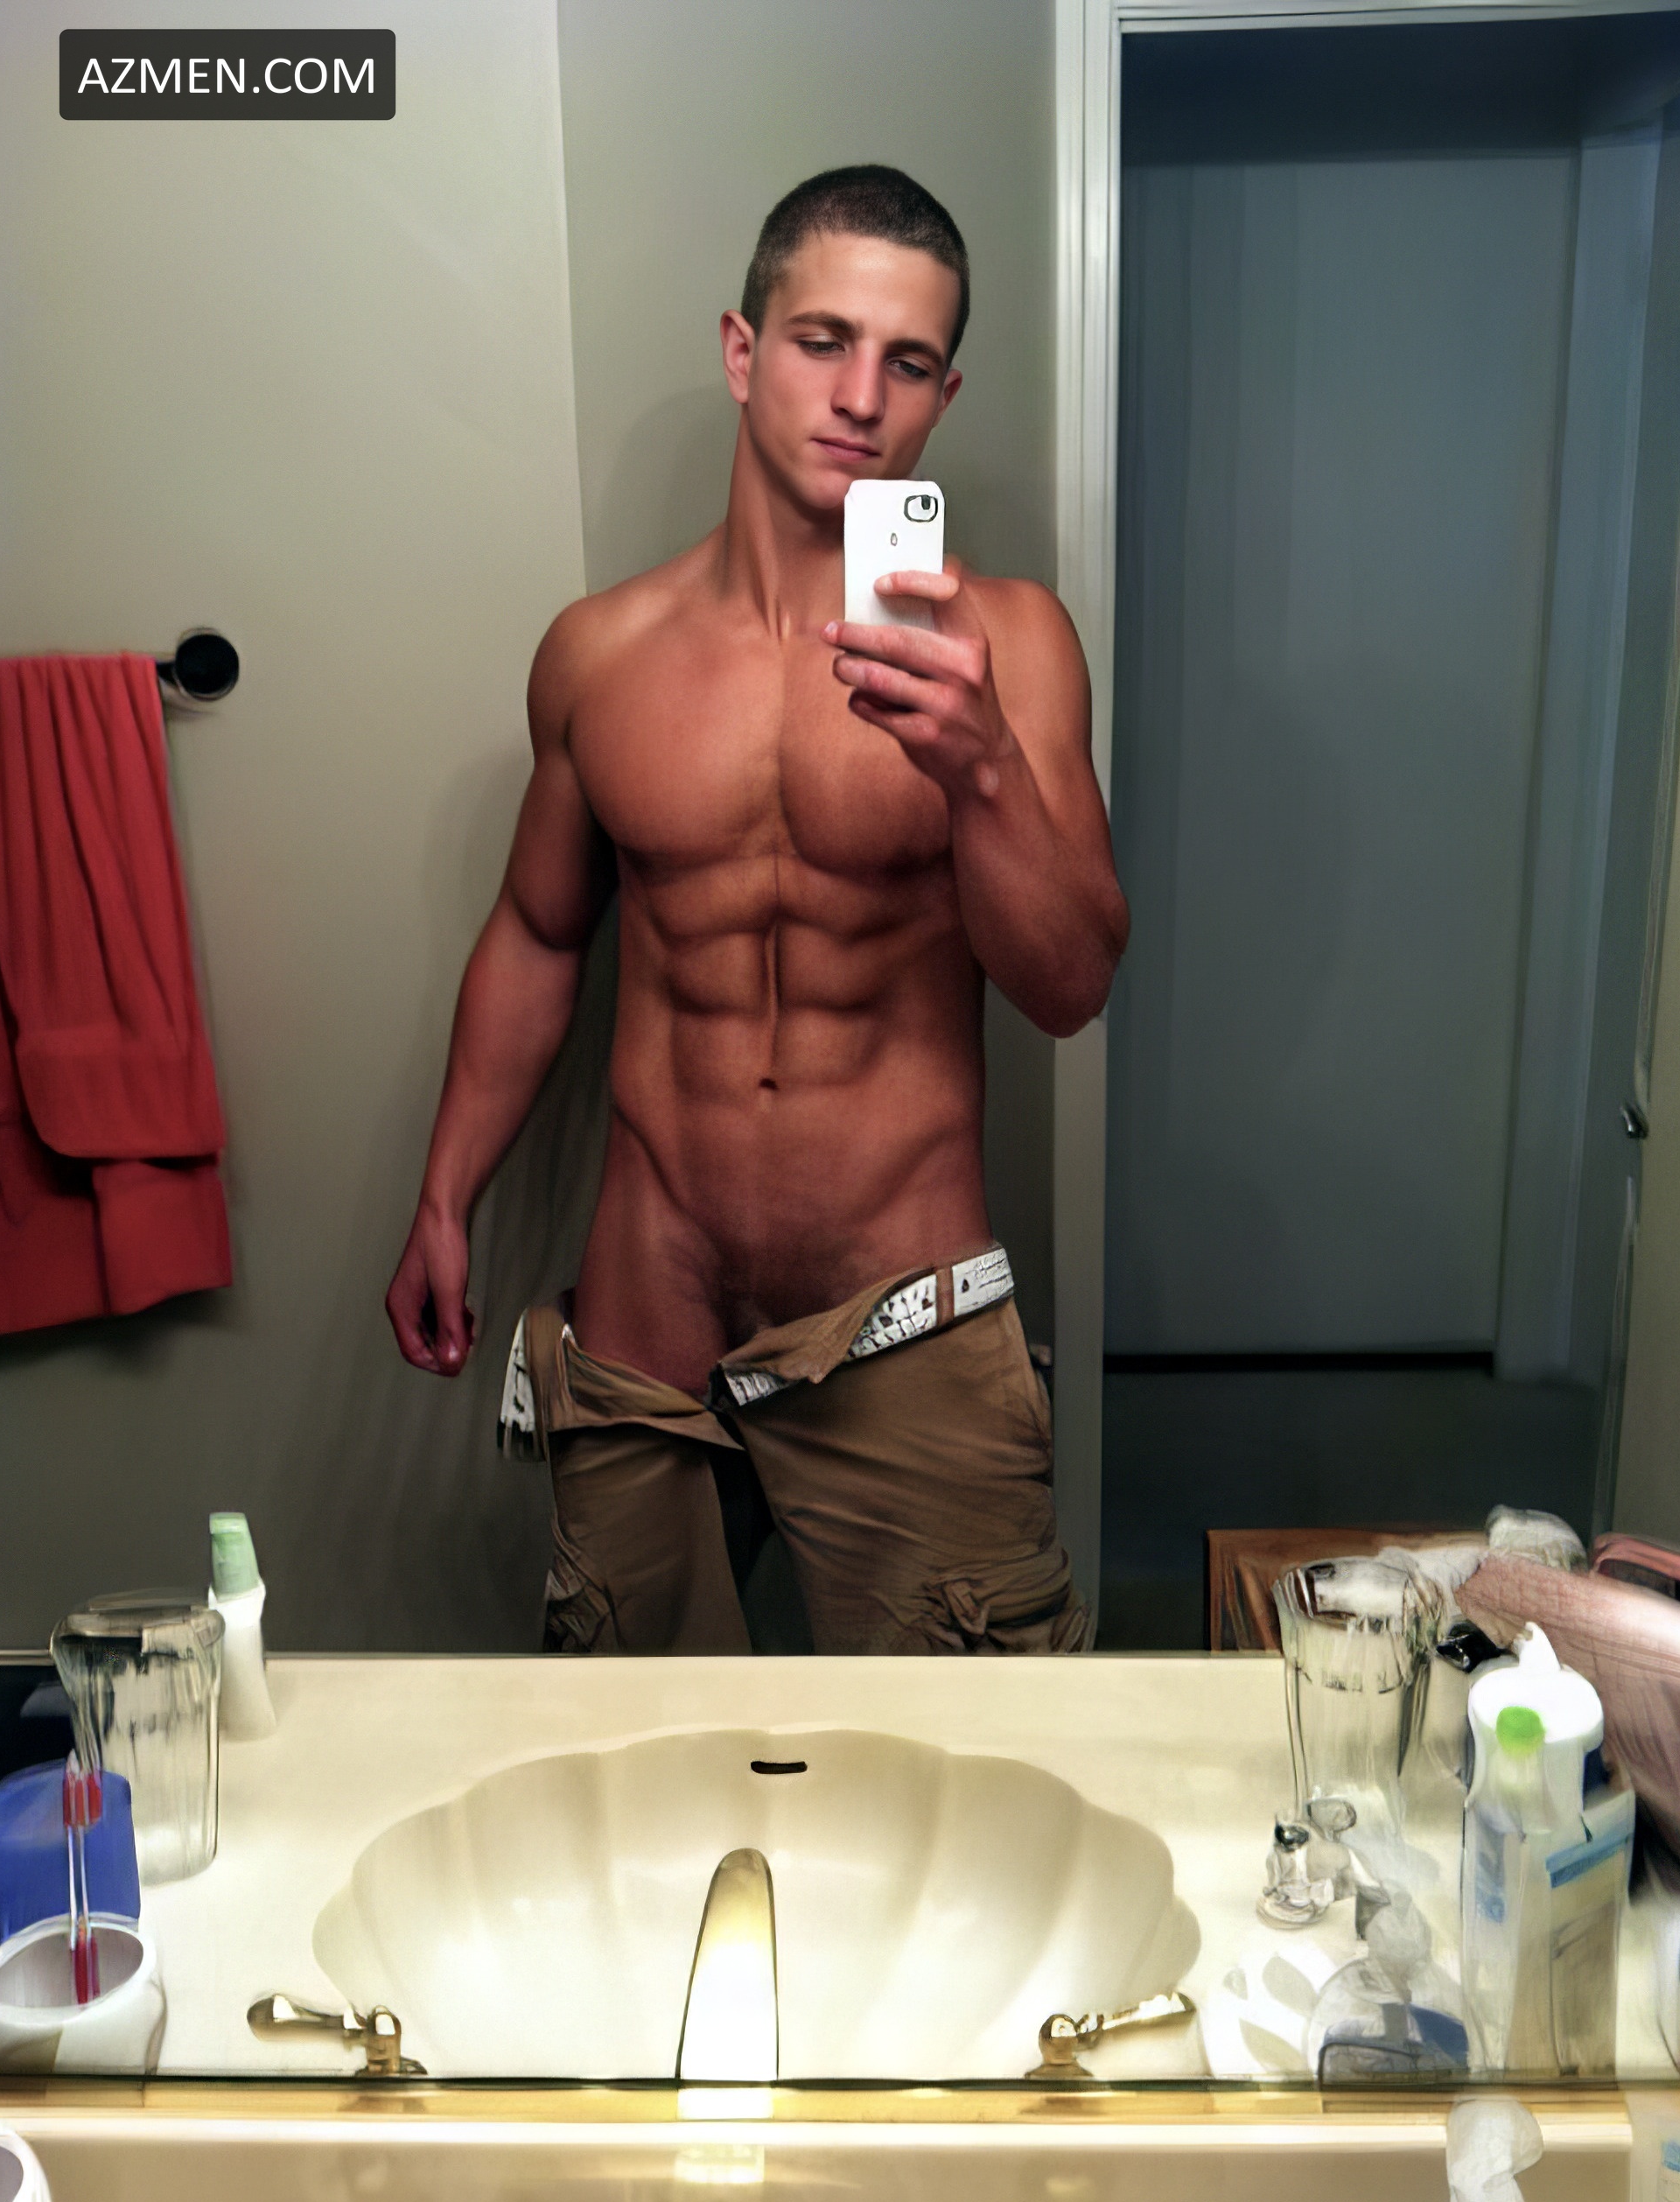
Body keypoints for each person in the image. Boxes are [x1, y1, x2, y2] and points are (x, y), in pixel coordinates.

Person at [385, 165, 1128, 1656]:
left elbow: (1069, 985)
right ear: (743, 351)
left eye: (906, 362)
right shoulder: (601, 656)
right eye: (821, 341)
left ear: (944, 395)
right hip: (645, 1319)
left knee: (961, 1771)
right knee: (636, 1763)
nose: (859, 396)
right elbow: (539, 933)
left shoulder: (1011, 644)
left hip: (899, 1307)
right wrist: (446, 1194)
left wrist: (982, 768)